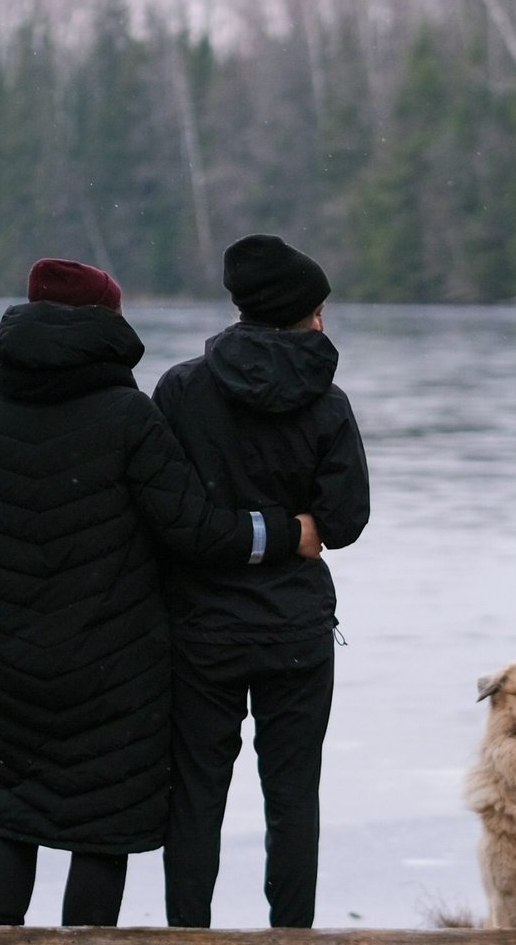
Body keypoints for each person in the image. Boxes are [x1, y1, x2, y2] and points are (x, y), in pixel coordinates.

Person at [0, 257, 321, 927]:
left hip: (15, 659)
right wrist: (285, 533)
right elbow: (193, 531)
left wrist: (32, 563)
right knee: (99, 825)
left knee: (13, 814)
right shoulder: (128, 419)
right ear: (105, 326)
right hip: (117, 662)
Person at [152, 234, 371, 928]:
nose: (325, 320)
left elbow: (169, 514)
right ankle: (292, 936)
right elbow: (345, 521)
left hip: (201, 629)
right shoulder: (327, 402)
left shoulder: (183, 390)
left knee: (195, 797)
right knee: (292, 796)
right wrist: (293, 528)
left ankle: (186, 934)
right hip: (296, 631)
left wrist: (230, 527)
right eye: (320, 308)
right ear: (303, 313)